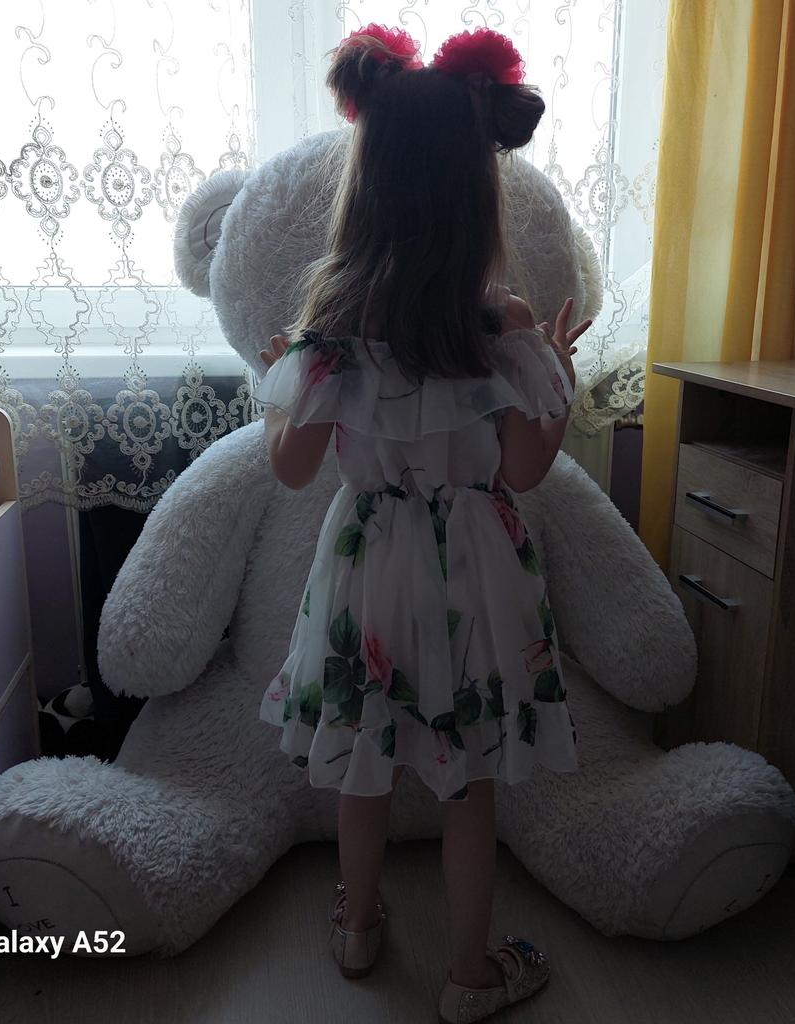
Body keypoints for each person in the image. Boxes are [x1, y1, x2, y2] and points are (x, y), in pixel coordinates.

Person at [252, 23, 592, 1024]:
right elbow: (524, 471)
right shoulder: (505, 327)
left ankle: (358, 927)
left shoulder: (331, 334)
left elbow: (291, 469)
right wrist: (558, 379)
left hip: (367, 569)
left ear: (366, 191)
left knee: (364, 762)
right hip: (477, 576)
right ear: (477, 195)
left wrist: (279, 395)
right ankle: (469, 974)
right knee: (468, 784)